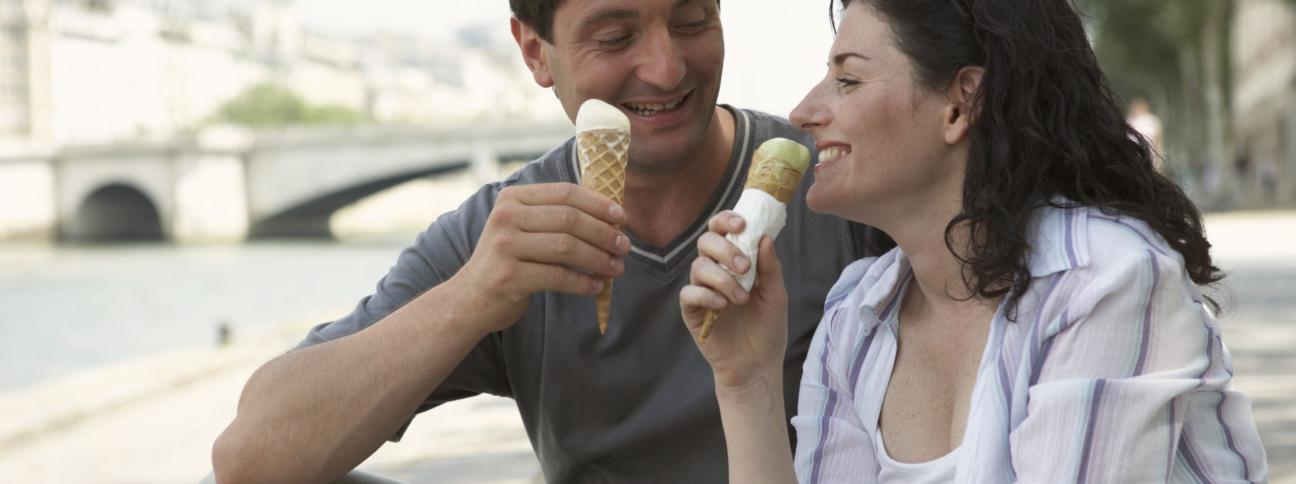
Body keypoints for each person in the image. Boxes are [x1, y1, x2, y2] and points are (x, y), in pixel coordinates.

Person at [210, 1, 889, 482]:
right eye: (616, 36)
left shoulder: (842, 184)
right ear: (536, 52)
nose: (666, 66)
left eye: (692, 20)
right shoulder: (501, 234)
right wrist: (471, 299)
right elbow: (248, 459)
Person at [681, 0, 1269, 482]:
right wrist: (747, 382)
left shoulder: (1100, 278)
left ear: (961, 103)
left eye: (848, 79)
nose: (803, 110)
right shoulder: (857, 314)